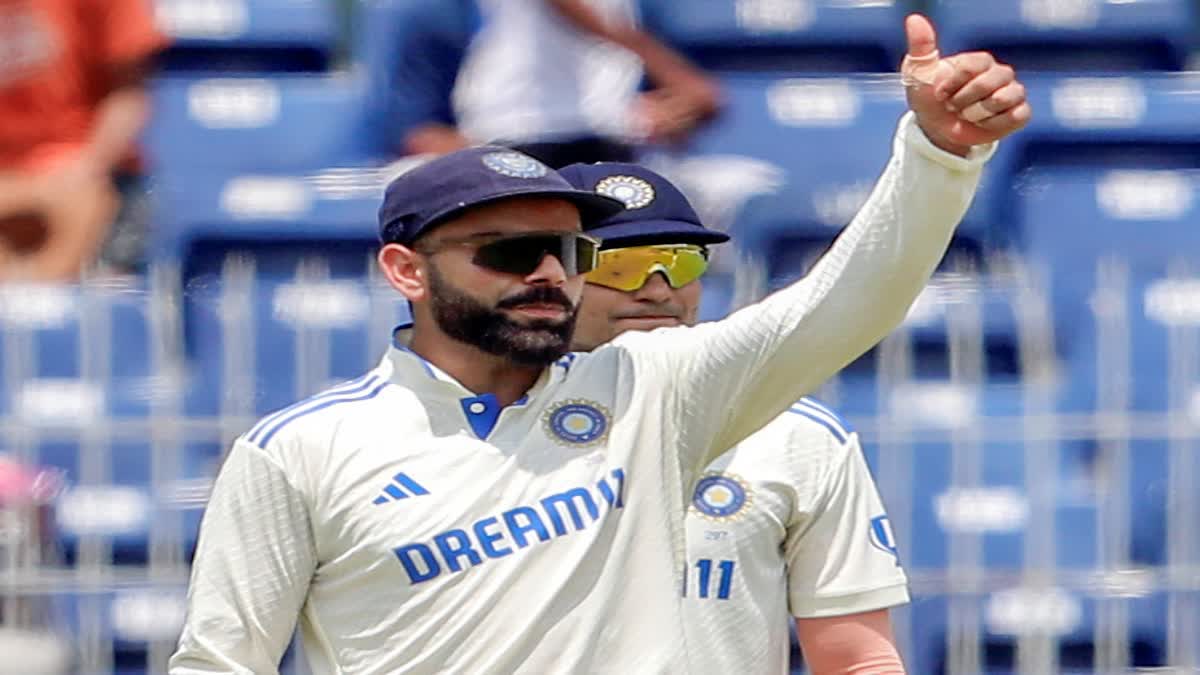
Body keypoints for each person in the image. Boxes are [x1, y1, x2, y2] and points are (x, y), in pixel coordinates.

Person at [170, 15, 1029, 673]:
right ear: (406, 270)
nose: (549, 273)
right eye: (510, 252)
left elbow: (846, 302)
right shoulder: (299, 451)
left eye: (569, 251)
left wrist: (937, 154)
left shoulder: (652, 388)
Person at [562, 161, 908, 673]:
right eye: (619, 267)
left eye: (681, 264)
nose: (658, 290)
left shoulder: (798, 435)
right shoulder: (475, 432)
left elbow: (858, 659)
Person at [373, 0, 720, 165]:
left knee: (728, 189)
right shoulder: (438, 11)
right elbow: (417, 135)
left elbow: (693, 105)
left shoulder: (640, 9)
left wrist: (668, 116)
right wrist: (494, 163)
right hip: (499, 155)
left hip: (617, 157)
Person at [0, 0, 167, 281]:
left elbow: (129, 93)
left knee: (84, 211)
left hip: (83, 170)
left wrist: (87, 166)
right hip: (9, 175)